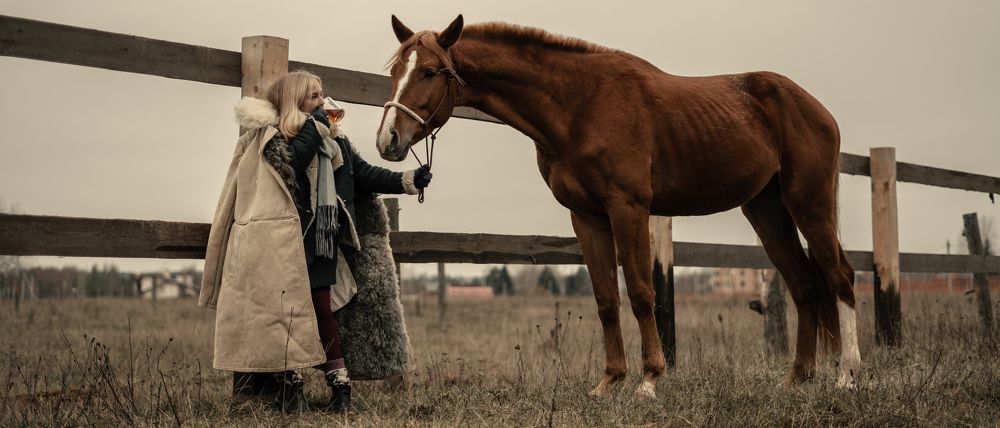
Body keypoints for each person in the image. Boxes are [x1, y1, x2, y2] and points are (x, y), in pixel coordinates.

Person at [198, 70, 431, 413]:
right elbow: (293, 163)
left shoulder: (333, 140)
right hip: (281, 247)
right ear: (294, 101)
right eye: (313, 97)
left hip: (321, 242)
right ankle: (291, 391)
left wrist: (408, 180)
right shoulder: (273, 141)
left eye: (322, 95)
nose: (322, 102)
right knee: (286, 316)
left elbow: (363, 174)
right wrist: (316, 126)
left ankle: (341, 390)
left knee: (324, 313)